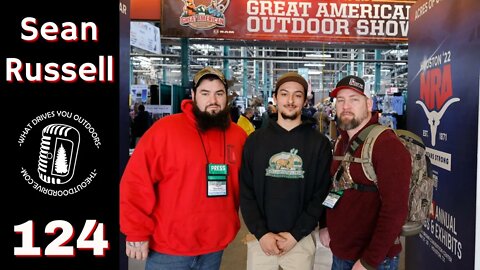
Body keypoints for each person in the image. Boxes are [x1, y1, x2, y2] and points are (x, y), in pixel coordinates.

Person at [120, 66, 248, 270]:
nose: (213, 100)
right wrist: (136, 231)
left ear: (227, 97)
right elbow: (136, 182)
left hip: (214, 246)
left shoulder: (238, 136)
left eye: (219, 93)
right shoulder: (165, 131)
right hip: (168, 248)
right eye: (205, 93)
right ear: (194, 95)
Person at [240, 72, 332, 270]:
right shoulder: (255, 141)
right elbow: (246, 193)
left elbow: (321, 195)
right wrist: (261, 233)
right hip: (260, 242)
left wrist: (295, 235)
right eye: (284, 94)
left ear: (305, 101)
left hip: (300, 240)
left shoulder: (319, 144)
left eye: (297, 95)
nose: (290, 101)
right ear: (275, 98)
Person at [319, 75, 411, 270]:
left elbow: (395, 211)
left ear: (368, 104)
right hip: (341, 253)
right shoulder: (341, 142)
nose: (346, 106)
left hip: (373, 261)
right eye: (341, 100)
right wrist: (325, 224)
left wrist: (369, 261)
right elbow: (337, 186)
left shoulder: (386, 145)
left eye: (354, 99)